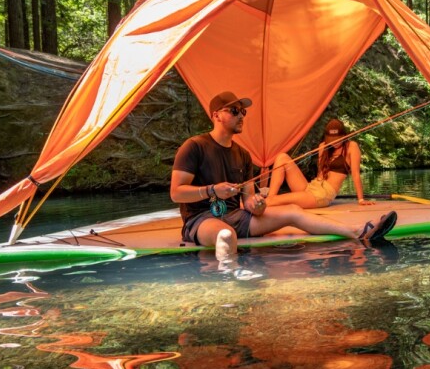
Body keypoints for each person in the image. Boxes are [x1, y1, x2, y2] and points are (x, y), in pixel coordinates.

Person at [170, 91, 397, 258]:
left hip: (237, 216)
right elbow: (176, 193)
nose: (241, 116)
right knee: (226, 235)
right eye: (234, 111)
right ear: (216, 115)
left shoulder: (243, 155)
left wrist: (256, 205)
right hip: (202, 219)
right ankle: (232, 283)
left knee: (293, 211)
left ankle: (359, 232)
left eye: (243, 111)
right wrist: (211, 190)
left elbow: (248, 199)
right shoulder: (194, 146)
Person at [265, 118, 374, 209]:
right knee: (282, 157)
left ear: (344, 136)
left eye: (338, 139)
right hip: (311, 186)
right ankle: (270, 196)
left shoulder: (351, 146)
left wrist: (361, 199)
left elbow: (355, 175)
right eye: (332, 139)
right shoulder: (323, 146)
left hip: (323, 194)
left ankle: (266, 202)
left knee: (275, 201)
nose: (335, 142)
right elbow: (320, 173)